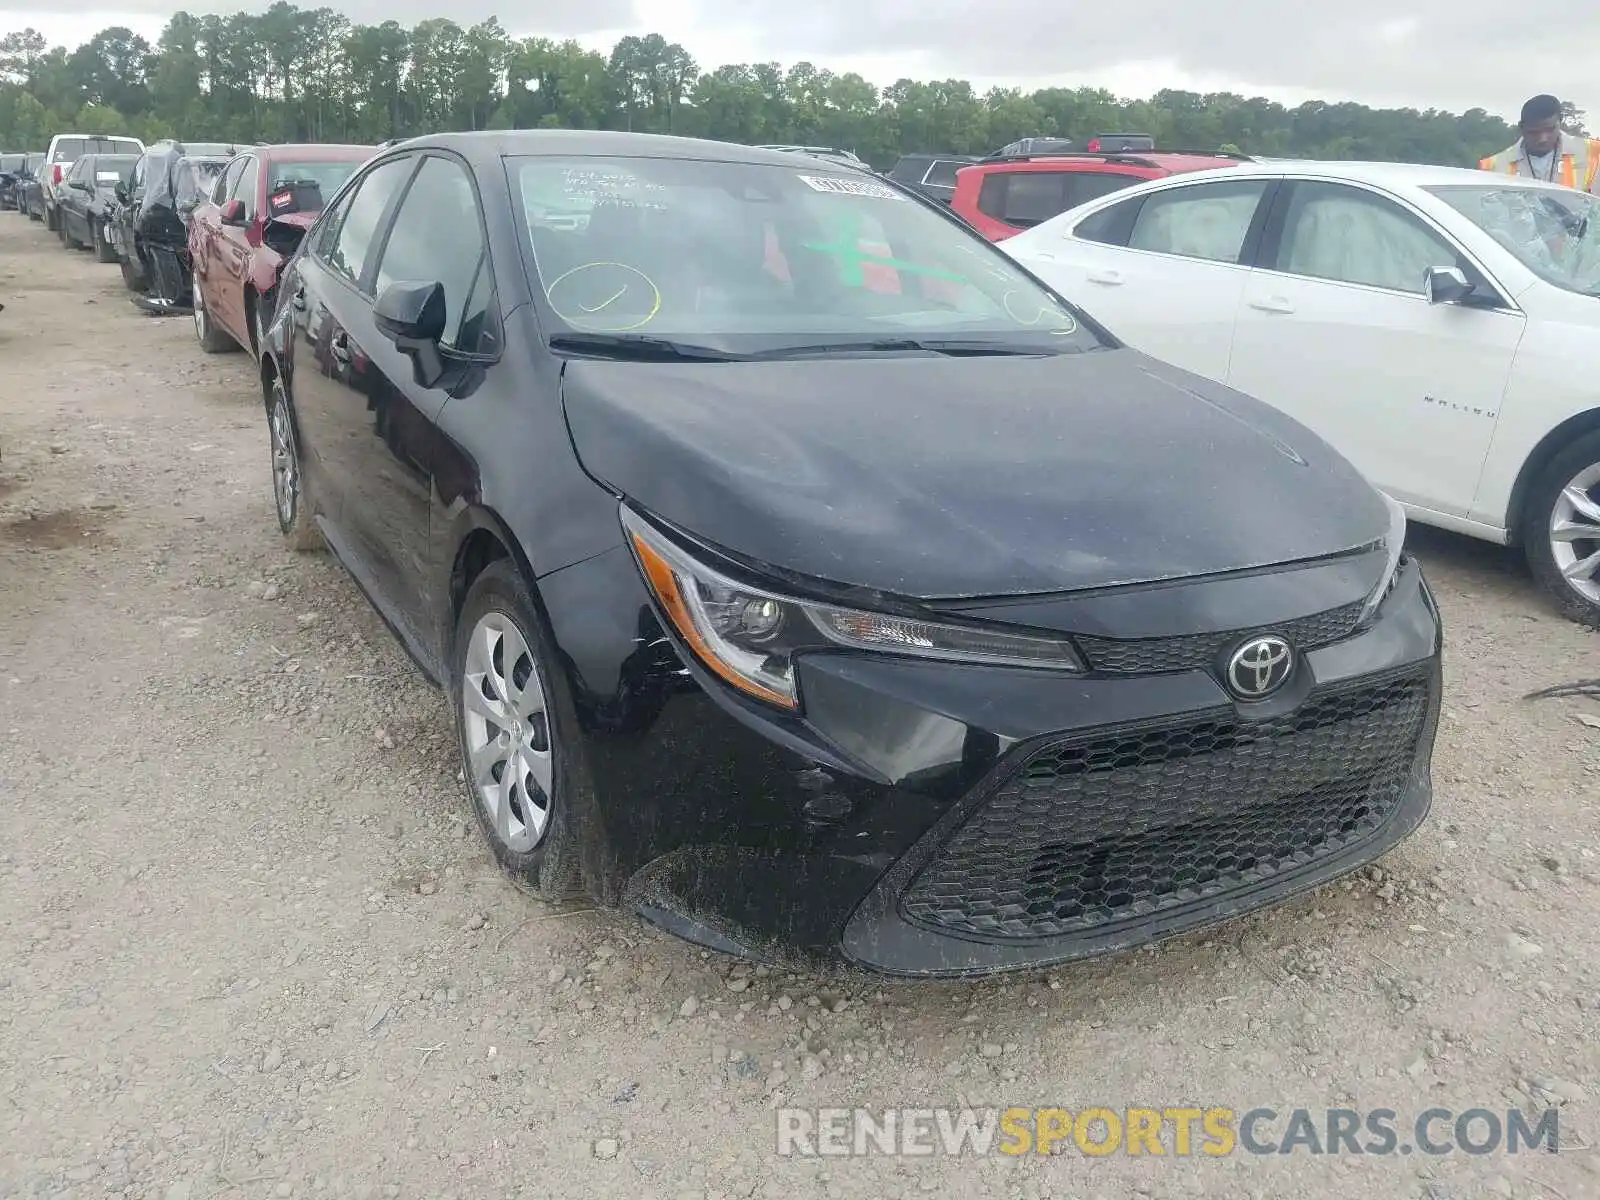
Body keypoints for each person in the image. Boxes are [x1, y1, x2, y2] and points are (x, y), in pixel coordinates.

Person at [1479, 94, 1600, 193]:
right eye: (1533, 132)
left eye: (1550, 129)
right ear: (1521, 127)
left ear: (1560, 120)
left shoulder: (1594, 153)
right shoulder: (1493, 166)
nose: (1542, 138)